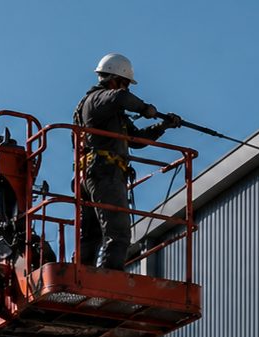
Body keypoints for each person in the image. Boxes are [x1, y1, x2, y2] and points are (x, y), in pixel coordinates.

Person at [73, 53, 183, 269]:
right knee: (118, 231)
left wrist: (162, 126)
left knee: (93, 234)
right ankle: (108, 277)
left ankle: (81, 274)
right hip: (104, 173)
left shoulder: (110, 111)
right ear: (115, 79)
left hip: (93, 174)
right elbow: (121, 98)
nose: (127, 89)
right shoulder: (99, 98)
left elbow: (135, 141)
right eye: (125, 84)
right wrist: (146, 109)